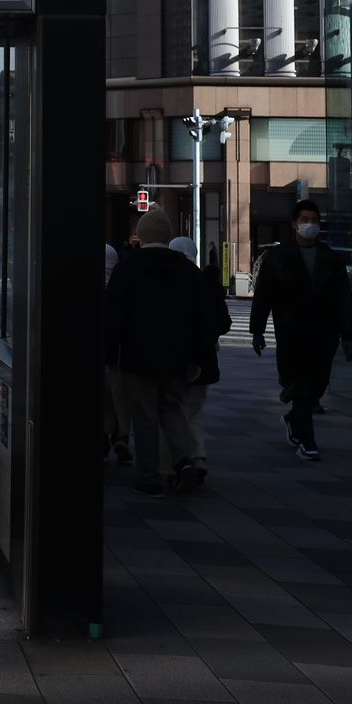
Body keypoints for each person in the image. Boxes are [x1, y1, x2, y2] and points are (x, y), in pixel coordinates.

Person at [103, 209, 208, 495]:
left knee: (145, 415)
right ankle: (183, 459)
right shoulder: (188, 270)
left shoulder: (129, 266)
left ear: (143, 235)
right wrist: (197, 357)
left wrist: (110, 354)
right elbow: (201, 317)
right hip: (177, 354)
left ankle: (149, 477)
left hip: (138, 355)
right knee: (172, 408)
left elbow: (115, 315)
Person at [249, 199, 352, 461]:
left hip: (324, 333)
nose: (310, 225)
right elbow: (264, 295)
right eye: (305, 220)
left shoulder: (330, 258)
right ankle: (307, 441)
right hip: (291, 332)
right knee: (302, 386)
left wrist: (349, 333)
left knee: (317, 386)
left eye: (315, 220)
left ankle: (294, 417)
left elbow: (344, 298)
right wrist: (258, 330)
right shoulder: (278, 256)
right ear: (294, 224)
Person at [171, 236, 232, 484]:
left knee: (173, 409)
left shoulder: (173, 282)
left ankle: (179, 460)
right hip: (205, 357)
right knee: (194, 411)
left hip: (177, 357)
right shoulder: (207, 283)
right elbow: (223, 323)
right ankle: (198, 456)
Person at [103, 243, 133, 466]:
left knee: (104, 399)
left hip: (106, 354)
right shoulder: (123, 287)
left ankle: (106, 437)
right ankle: (121, 435)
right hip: (123, 355)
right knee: (120, 399)